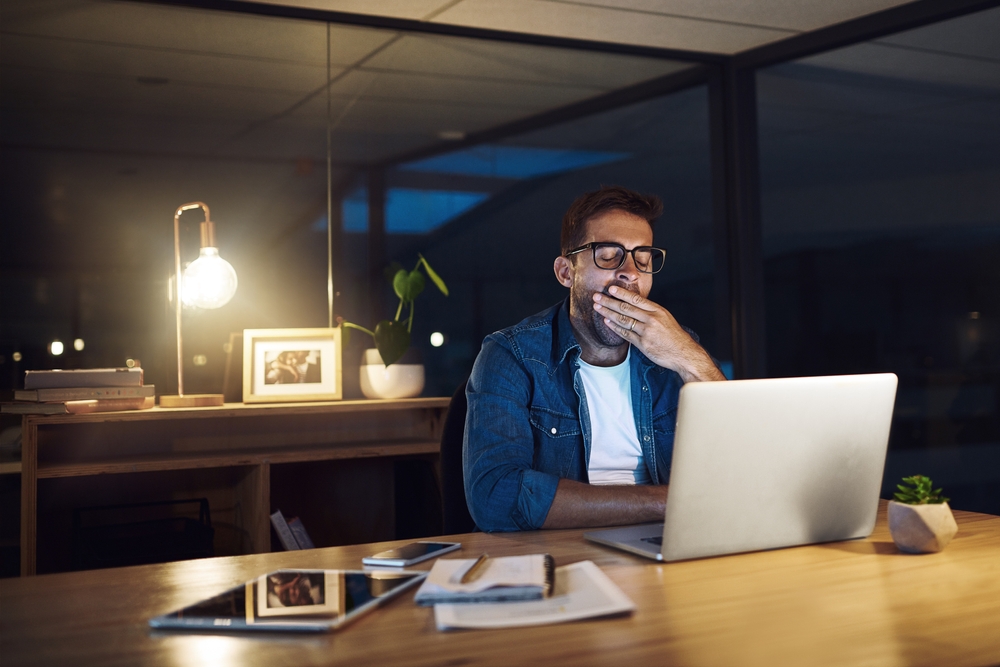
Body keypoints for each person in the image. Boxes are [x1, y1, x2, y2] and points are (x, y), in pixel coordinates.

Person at [464, 185, 726, 532]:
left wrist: (690, 359)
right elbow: (495, 497)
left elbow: (741, 468)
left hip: (670, 544)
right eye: (608, 255)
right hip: (563, 552)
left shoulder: (678, 349)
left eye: (642, 258)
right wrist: (670, 502)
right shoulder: (511, 355)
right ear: (566, 272)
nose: (630, 272)